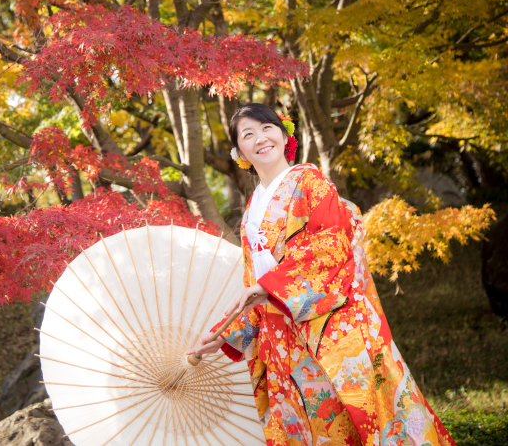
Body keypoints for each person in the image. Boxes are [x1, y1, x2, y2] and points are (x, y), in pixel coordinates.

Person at [187, 103, 456, 446]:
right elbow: (253, 285)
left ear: (284, 135)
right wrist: (226, 335)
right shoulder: (253, 204)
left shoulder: (309, 181)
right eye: (248, 134)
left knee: (353, 416)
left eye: (267, 128)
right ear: (238, 151)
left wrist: (268, 285)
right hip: (282, 337)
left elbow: (329, 245)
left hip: (326, 326)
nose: (260, 138)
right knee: (306, 426)